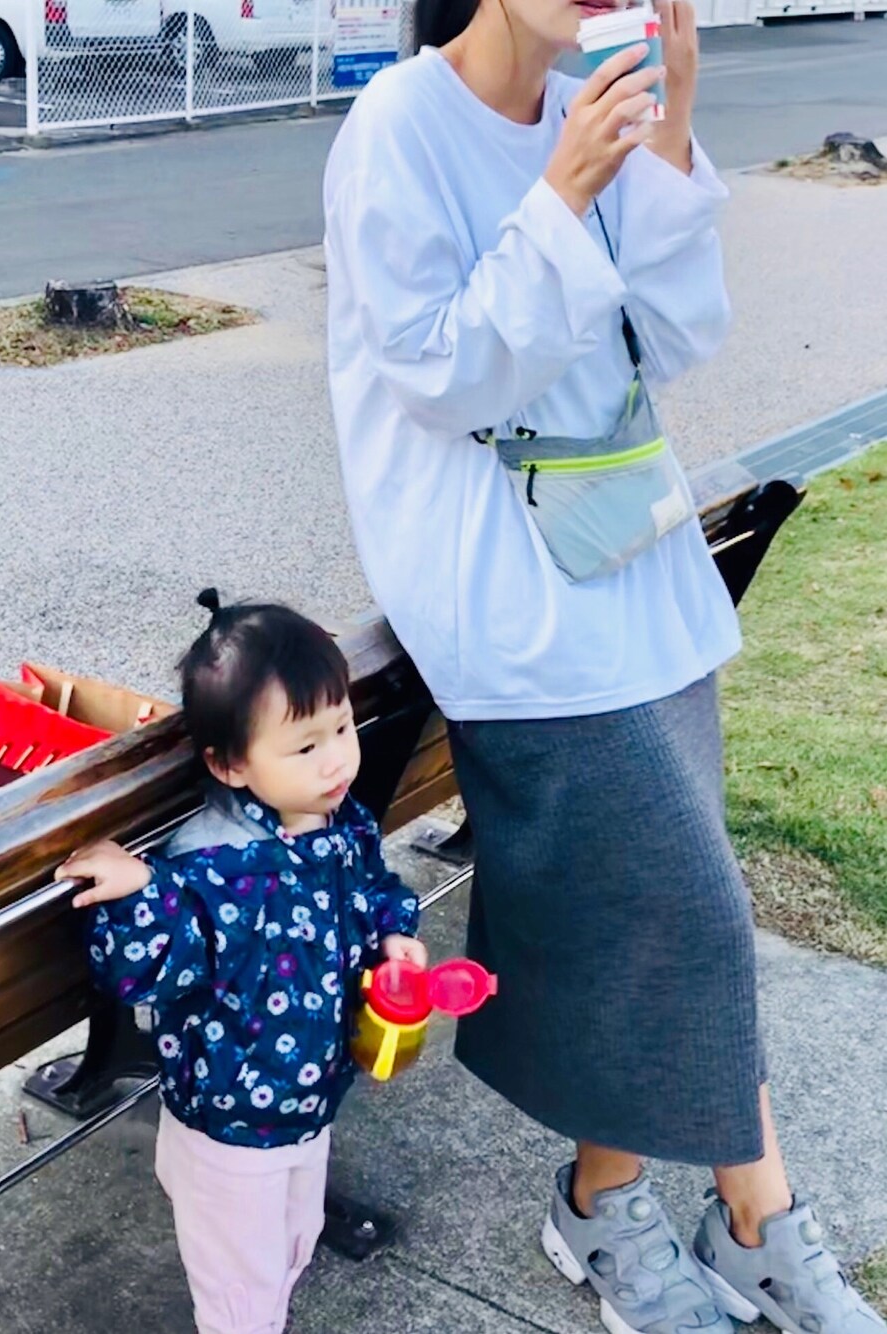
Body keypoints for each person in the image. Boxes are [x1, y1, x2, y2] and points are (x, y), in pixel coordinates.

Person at [322, 3, 885, 1333]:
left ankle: (621, 1202)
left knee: (646, 917)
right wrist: (565, 193)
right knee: (692, 914)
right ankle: (744, 1217)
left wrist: (670, 127)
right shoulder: (398, 126)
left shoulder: (593, 105)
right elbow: (443, 375)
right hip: (508, 597)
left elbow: (675, 339)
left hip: (631, 562)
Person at [58, 592, 426, 1334]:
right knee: (240, 1289)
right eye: (304, 747)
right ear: (229, 765)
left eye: (341, 727)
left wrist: (393, 932)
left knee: (290, 1245)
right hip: (231, 1125)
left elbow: (373, 890)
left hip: (309, 1099)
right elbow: (145, 963)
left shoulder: (336, 823)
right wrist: (138, 889)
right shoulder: (219, 868)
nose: (336, 758)